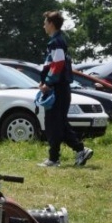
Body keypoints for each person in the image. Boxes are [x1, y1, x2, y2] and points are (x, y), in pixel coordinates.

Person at [38, 10, 93, 167]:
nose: (43, 26)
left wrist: (47, 83)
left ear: (52, 24)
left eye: (45, 23)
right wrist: (44, 82)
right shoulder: (57, 41)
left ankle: (56, 158)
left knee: (54, 124)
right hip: (58, 88)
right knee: (58, 124)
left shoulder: (56, 43)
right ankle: (78, 151)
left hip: (57, 89)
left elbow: (57, 66)